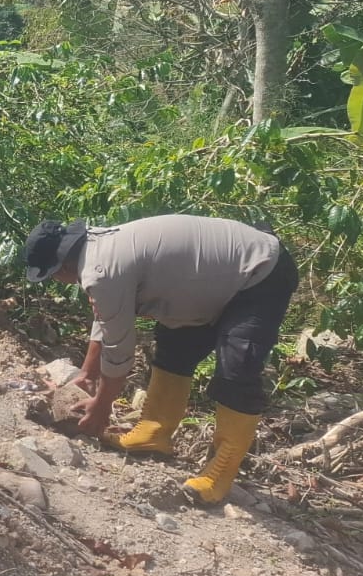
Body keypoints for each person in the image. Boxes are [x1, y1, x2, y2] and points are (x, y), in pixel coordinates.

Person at [22, 214, 299, 504]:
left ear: (62, 266)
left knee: (237, 370)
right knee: (175, 344)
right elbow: (107, 316)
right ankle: (154, 432)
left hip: (261, 273)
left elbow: (119, 347)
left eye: (52, 275)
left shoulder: (101, 269)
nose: (58, 281)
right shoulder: (96, 248)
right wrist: (88, 373)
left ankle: (220, 474)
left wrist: (102, 408)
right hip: (213, 282)